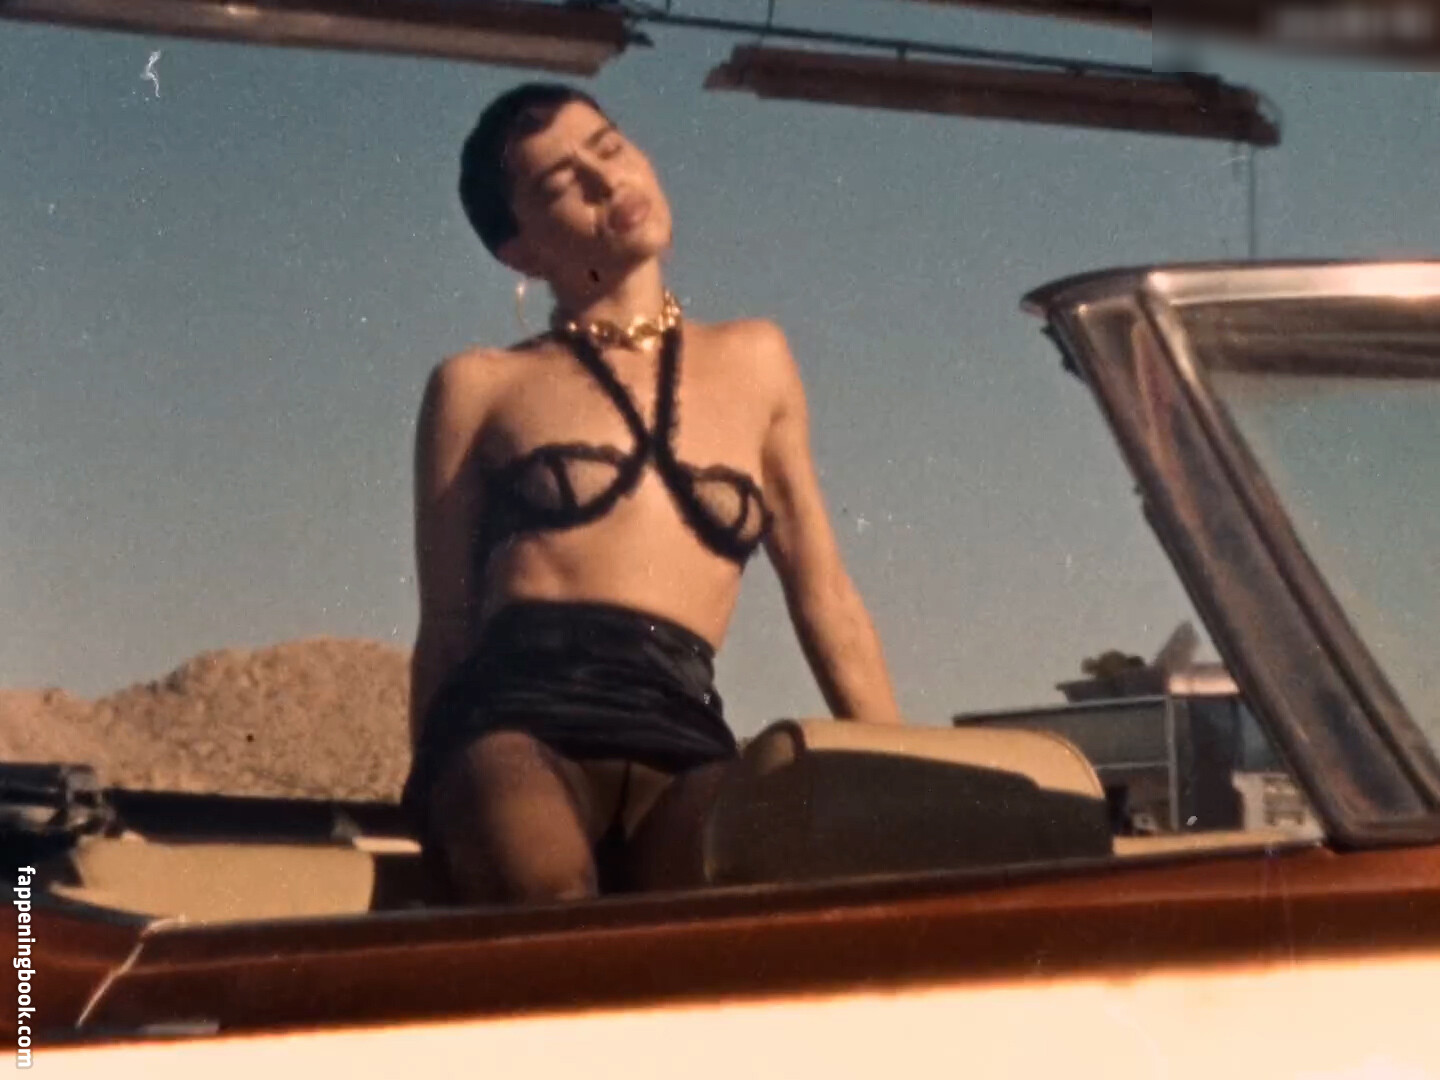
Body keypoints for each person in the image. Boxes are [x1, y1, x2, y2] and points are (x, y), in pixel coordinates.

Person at [403, 82, 900, 906]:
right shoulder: (478, 386)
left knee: (732, 900)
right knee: (547, 889)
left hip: (683, 732)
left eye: (608, 147)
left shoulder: (757, 359)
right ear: (519, 252)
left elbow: (826, 596)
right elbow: (446, 625)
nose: (607, 180)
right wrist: (431, 809)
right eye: (560, 183)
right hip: (517, 724)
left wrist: (908, 777)